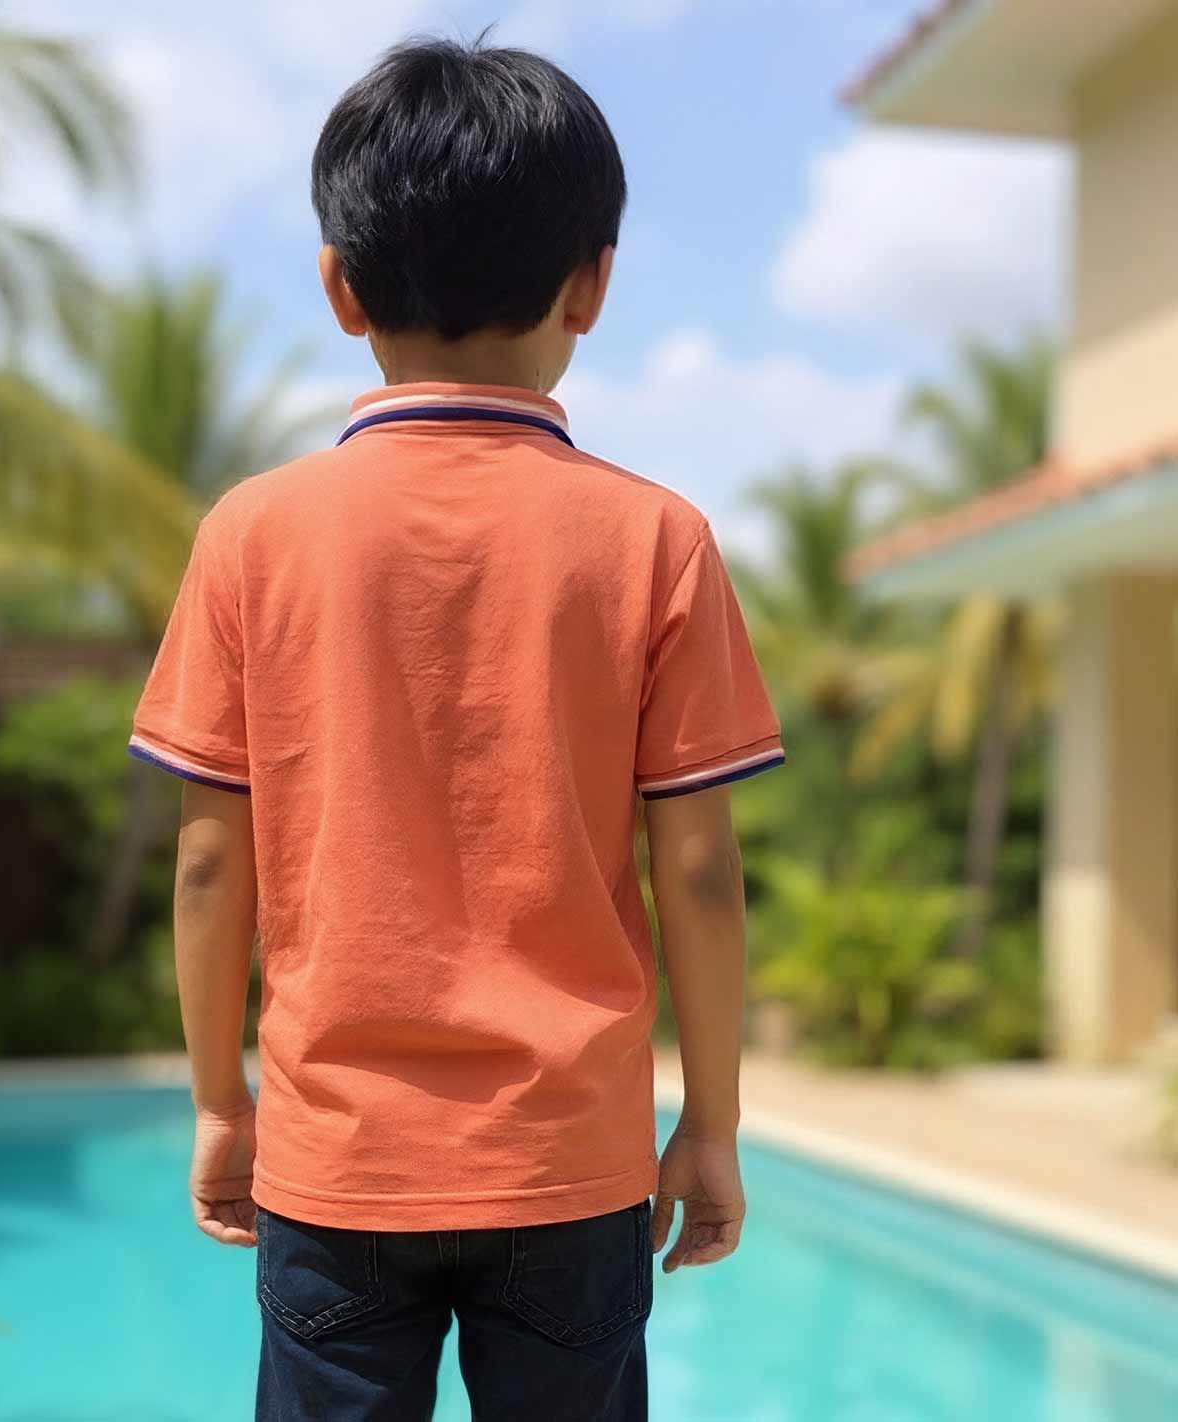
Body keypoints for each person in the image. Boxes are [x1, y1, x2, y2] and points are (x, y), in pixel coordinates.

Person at [128, 32, 783, 1422]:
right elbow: (702, 871)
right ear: (591, 284)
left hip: (336, 1166)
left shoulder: (251, 536)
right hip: (569, 1165)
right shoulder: (656, 541)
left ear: (339, 286)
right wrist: (713, 1121)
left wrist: (222, 1105)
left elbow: (208, 860)